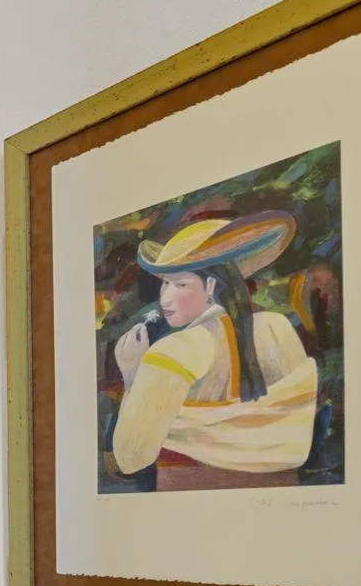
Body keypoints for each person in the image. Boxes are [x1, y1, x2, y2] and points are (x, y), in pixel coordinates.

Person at [109, 210, 318, 490]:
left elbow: (130, 458)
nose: (165, 298)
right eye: (165, 283)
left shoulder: (173, 350)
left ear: (211, 285)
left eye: (180, 283)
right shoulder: (277, 327)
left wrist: (133, 376)